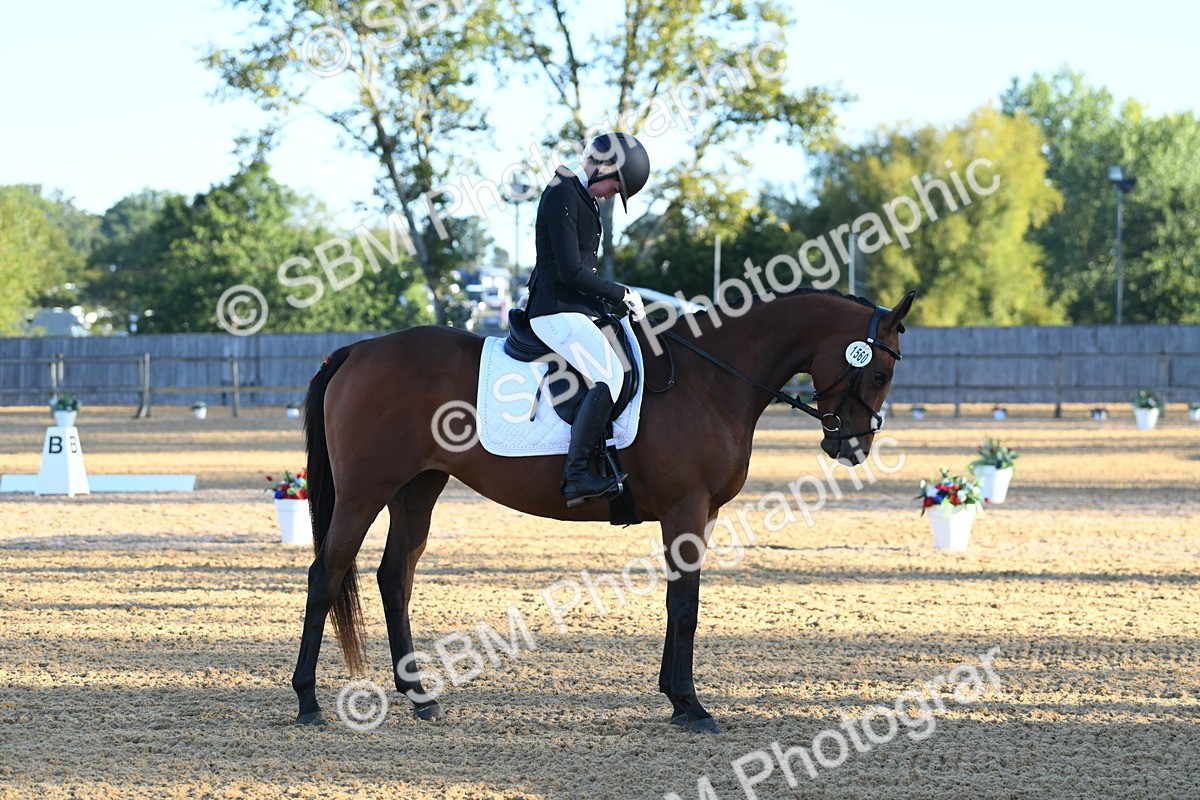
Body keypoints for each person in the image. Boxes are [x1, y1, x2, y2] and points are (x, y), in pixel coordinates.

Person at [525, 132, 650, 506]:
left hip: (576, 309)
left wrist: (610, 305)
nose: (612, 195)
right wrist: (620, 293)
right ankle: (576, 475)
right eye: (616, 186)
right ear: (605, 167)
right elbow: (569, 271)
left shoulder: (584, 198)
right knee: (610, 375)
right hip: (553, 310)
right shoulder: (562, 192)